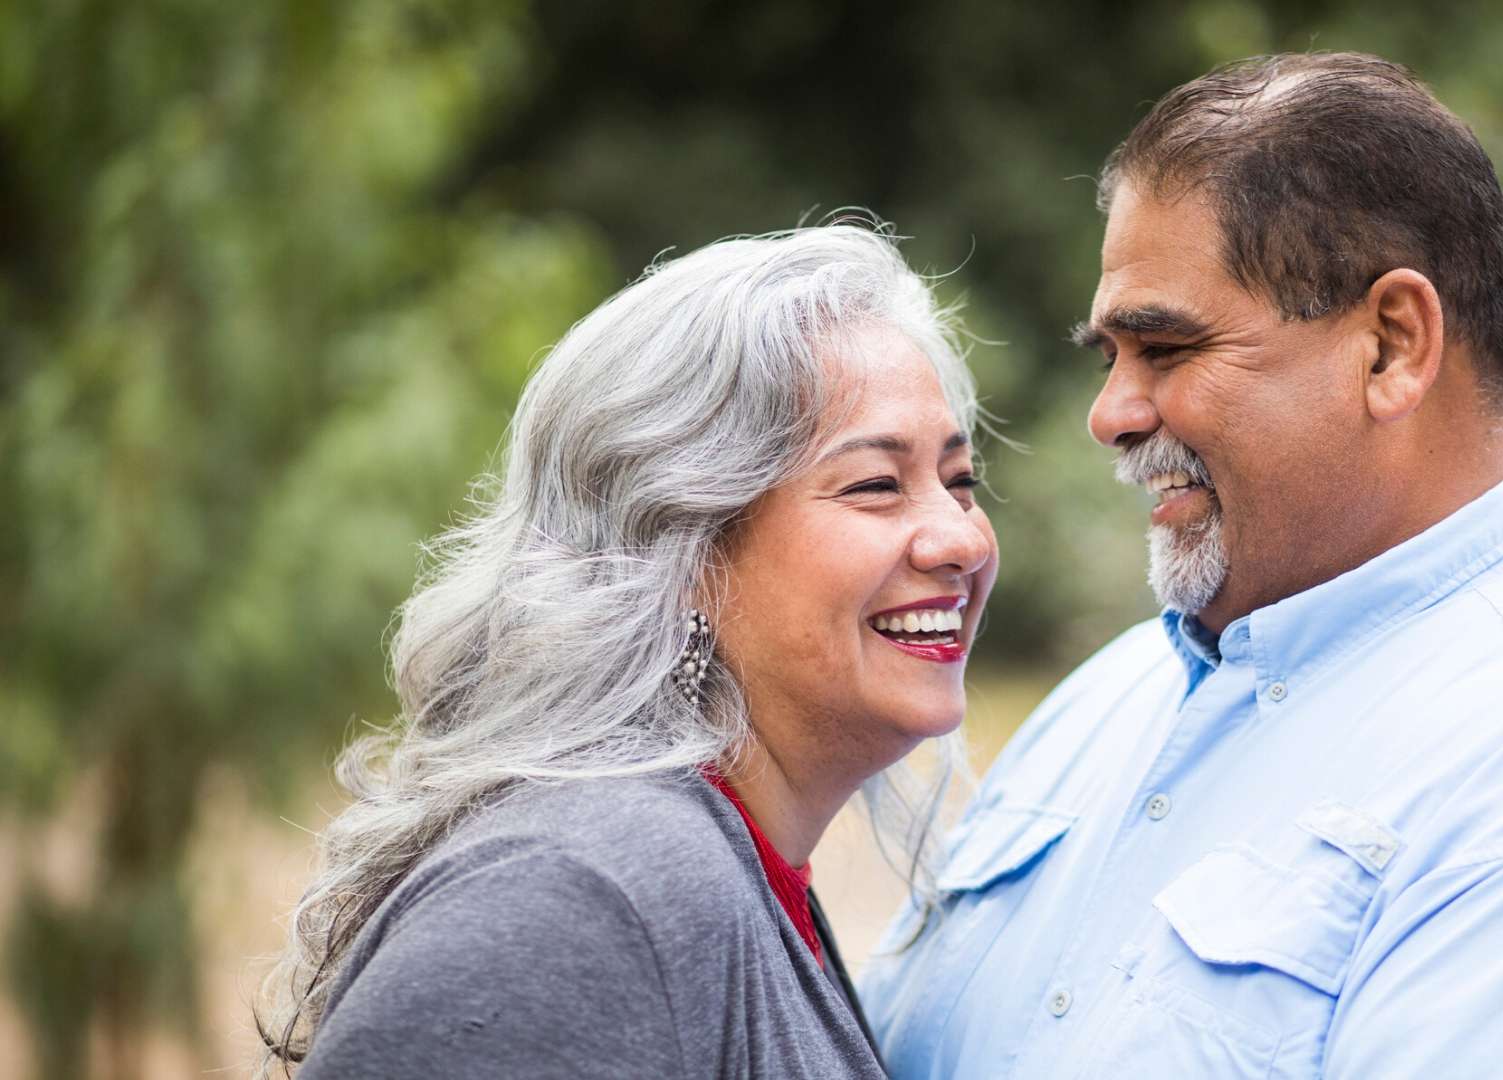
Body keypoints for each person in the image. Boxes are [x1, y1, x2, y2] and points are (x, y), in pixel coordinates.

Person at [862, 53, 1503, 1078]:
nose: (1109, 415)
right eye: (1106, 358)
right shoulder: (1105, 704)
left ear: (1391, 346)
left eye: (1164, 350)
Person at [254, 223, 998, 1078]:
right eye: (876, 484)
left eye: (959, 480)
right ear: (677, 548)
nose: (962, 538)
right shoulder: (581, 895)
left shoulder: (717, 869)